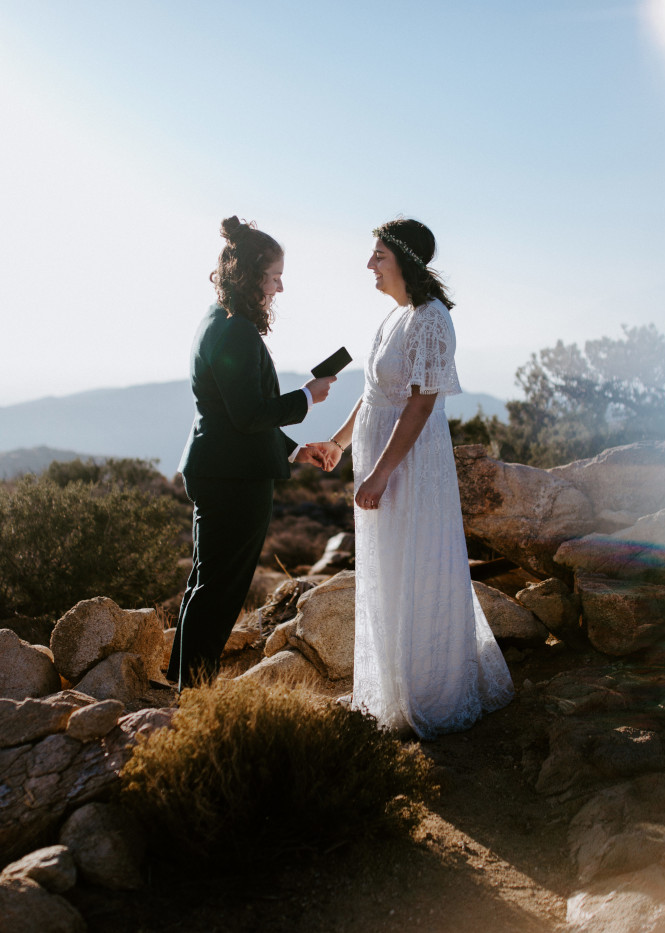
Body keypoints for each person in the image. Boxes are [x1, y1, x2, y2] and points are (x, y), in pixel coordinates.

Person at [310, 218, 513, 738]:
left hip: (411, 468)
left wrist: (378, 475)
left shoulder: (431, 319)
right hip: (380, 458)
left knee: (418, 564)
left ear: (403, 259)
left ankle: (429, 692)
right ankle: (389, 685)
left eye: (378, 255)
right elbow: (374, 394)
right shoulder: (393, 318)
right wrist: (337, 443)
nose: (370, 265)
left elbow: (421, 404)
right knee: (388, 566)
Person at [169, 216, 335, 687]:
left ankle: (184, 681)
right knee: (222, 589)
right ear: (250, 277)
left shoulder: (215, 318)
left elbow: (233, 415)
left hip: (218, 466)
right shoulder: (236, 331)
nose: (280, 288)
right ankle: (195, 690)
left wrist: (293, 451)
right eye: (274, 277)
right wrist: (307, 397)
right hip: (234, 478)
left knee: (206, 581)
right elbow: (248, 414)